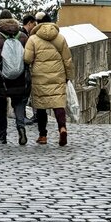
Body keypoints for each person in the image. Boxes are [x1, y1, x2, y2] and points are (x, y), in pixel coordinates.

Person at [24, 12, 73, 146]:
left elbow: (27, 59)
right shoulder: (60, 38)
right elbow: (67, 60)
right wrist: (68, 76)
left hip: (40, 77)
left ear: (38, 23)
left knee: (41, 107)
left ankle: (43, 135)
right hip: (58, 75)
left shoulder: (33, 39)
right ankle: (62, 128)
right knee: (58, 104)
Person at [0, 10, 29, 145]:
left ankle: (2, 136)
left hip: (1, 78)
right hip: (20, 77)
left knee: (2, 106)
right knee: (19, 103)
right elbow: (27, 58)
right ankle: (21, 127)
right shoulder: (22, 36)